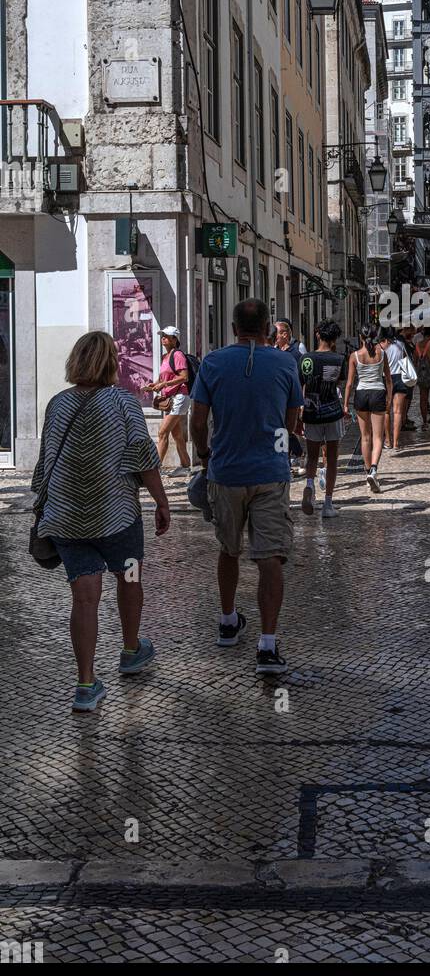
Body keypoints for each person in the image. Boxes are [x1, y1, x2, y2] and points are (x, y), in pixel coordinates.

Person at [31, 331, 169, 712]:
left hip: (67, 519)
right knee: (129, 578)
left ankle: (86, 683)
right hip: (117, 516)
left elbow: (44, 463)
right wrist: (161, 503)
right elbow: (144, 459)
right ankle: (129, 650)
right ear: (112, 362)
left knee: (84, 597)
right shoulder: (124, 402)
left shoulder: (57, 404)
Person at [189, 298, 304, 674]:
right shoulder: (285, 363)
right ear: (269, 325)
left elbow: (198, 419)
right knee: (270, 558)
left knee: (228, 548)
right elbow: (291, 420)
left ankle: (227, 622)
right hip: (270, 471)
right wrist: (278, 454)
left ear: (234, 325)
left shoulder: (213, 363)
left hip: (226, 471)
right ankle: (267, 646)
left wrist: (206, 457)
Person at [300, 320, 346, 518]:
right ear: (335, 338)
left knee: (311, 455)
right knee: (332, 458)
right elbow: (338, 384)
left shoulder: (306, 359)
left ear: (317, 334)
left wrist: (301, 411)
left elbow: (301, 386)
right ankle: (328, 503)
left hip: (311, 411)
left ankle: (309, 485)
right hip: (332, 411)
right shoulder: (339, 359)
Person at [343, 323, 392, 491]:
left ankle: (366, 471)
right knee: (379, 437)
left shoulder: (354, 356)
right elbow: (389, 380)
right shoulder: (382, 354)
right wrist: (389, 399)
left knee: (365, 437)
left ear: (361, 337)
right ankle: (373, 469)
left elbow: (349, 384)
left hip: (361, 395)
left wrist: (345, 405)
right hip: (378, 393)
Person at [141, 325, 191, 475]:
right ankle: (185, 466)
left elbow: (184, 377)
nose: (163, 337)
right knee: (176, 434)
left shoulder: (178, 355)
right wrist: (155, 384)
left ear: (175, 339)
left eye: (167, 335)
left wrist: (164, 384)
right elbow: (164, 377)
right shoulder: (166, 357)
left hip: (180, 397)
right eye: (162, 335)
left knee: (162, 432)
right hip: (172, 397)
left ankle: (155, 469)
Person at [381, 324, 411, 454]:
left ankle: (387, 441)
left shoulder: (382, 346)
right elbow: (406, 359)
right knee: (398, 412)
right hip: (400, 377)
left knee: (386, 412)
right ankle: (396, 443)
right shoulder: (400, 344)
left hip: (386, 378)